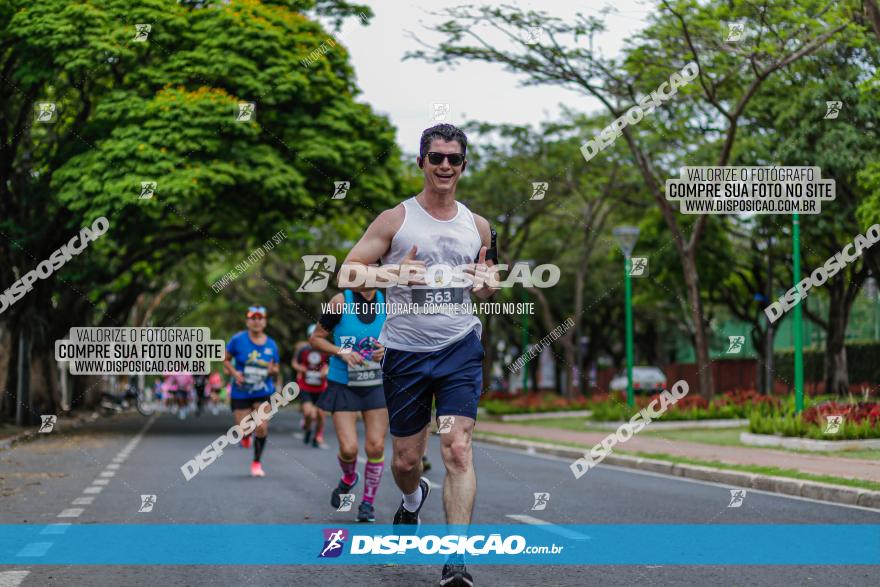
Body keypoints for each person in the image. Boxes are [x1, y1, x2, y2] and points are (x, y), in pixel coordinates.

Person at [339, 123, 499, 586]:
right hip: (406, 353)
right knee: (406, 462)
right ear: (421, 162)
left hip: (459, 349)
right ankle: (412, 500)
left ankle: (456, 561)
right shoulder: (396, 219)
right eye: (436, 157)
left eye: (453, 158)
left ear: (464, 166)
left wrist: (488, 285)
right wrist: (392, 276)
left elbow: (485, 287)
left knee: (458, 450)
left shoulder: (478, 225)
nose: (444, 165)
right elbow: (348, 274)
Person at [309, 288, 388, 523]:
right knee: (349, 448)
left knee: (375, 446)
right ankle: (348, 478)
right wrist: (342, 351)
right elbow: (315, 338)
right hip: (343, 383)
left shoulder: (390, 299)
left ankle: (367, 503)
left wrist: (387, 350)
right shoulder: (340, 301)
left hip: (376, 383)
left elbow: (404, 337)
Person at [223, 305, 281, 477]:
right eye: (253, 318)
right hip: (241, 390)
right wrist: (235, 373)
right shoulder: (237, 340)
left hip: (263, 390)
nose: (256, 321)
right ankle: (245, 436)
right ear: (247, 321)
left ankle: (256, 462)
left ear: (265, 321)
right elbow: (225, 359)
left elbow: (276, 367)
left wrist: (272, 370)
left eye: (260, 318)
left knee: (261, 427)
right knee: (243, 429)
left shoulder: (272, 344)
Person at [293, 324, 329, 447]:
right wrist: (301, 368)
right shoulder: (304, 350)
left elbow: (330, 365)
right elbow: (295, 363)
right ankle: (308, 429)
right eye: (311, 336)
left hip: (321, 388)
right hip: (306, 387)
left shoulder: (325, 350)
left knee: (320, 414)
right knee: (309, 413)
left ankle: (318, 436)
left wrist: (326, 370)